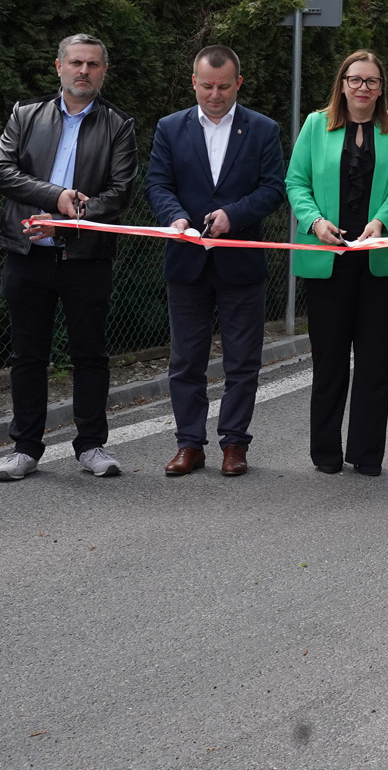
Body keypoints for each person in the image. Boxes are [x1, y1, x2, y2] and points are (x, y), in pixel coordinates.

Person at [0, 33, 137, 482]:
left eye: (92, 64)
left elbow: (120, 193)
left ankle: (91, 446)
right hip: (27, 252)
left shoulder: (119, 125)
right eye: (75, 62)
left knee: (90, 355)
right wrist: (56, 197)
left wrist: (74, 216)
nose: (83, 71)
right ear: (58, 66)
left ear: (104, 71)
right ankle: (25, 448)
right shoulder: (25, 114)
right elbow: (1, 171)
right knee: (27, 355)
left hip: (87, 258)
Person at [145, 46, 286, 477]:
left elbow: (273, 188)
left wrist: (234, 215)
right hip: (186, 262)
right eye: (206, 85)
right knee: (186, 361)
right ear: (194, 82)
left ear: (238, 83)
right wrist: (176, 217)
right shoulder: (171, 128)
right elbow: (156, 183)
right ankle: (189, 443)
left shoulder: (262, 129)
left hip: (240, 263)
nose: (215, 94)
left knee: (242, 360)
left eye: (224, 86)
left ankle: (234, 444)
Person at [287, 50, 388, 476]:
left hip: (379, 258)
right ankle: (325, 453)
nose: (363, 88)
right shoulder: (314, 124)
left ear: (381, 88)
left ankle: (366, 454)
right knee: (329, 362)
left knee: (376, 362)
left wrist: (381, 222)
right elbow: (296, 181)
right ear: (342, 83)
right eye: (356, 79)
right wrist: (314, 221)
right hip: (328, 257)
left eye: (372, 81)